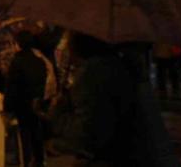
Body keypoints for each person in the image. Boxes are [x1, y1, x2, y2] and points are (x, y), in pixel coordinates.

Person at [42, 32, 142, 166]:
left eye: (69, 39)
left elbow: (86, 132)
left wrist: (57, 115)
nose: (66, 45)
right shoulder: (119, 66)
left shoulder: (92, 73)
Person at [4, 28, 54, 167]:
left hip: (22, 104)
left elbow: (12, 86)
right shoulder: (38, 59)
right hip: (36, 102)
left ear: (18, 44)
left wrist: (7, 106)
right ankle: (38, 159)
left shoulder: (17, 61)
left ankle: (26, 160)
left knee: (24, 134)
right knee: (36, 131)